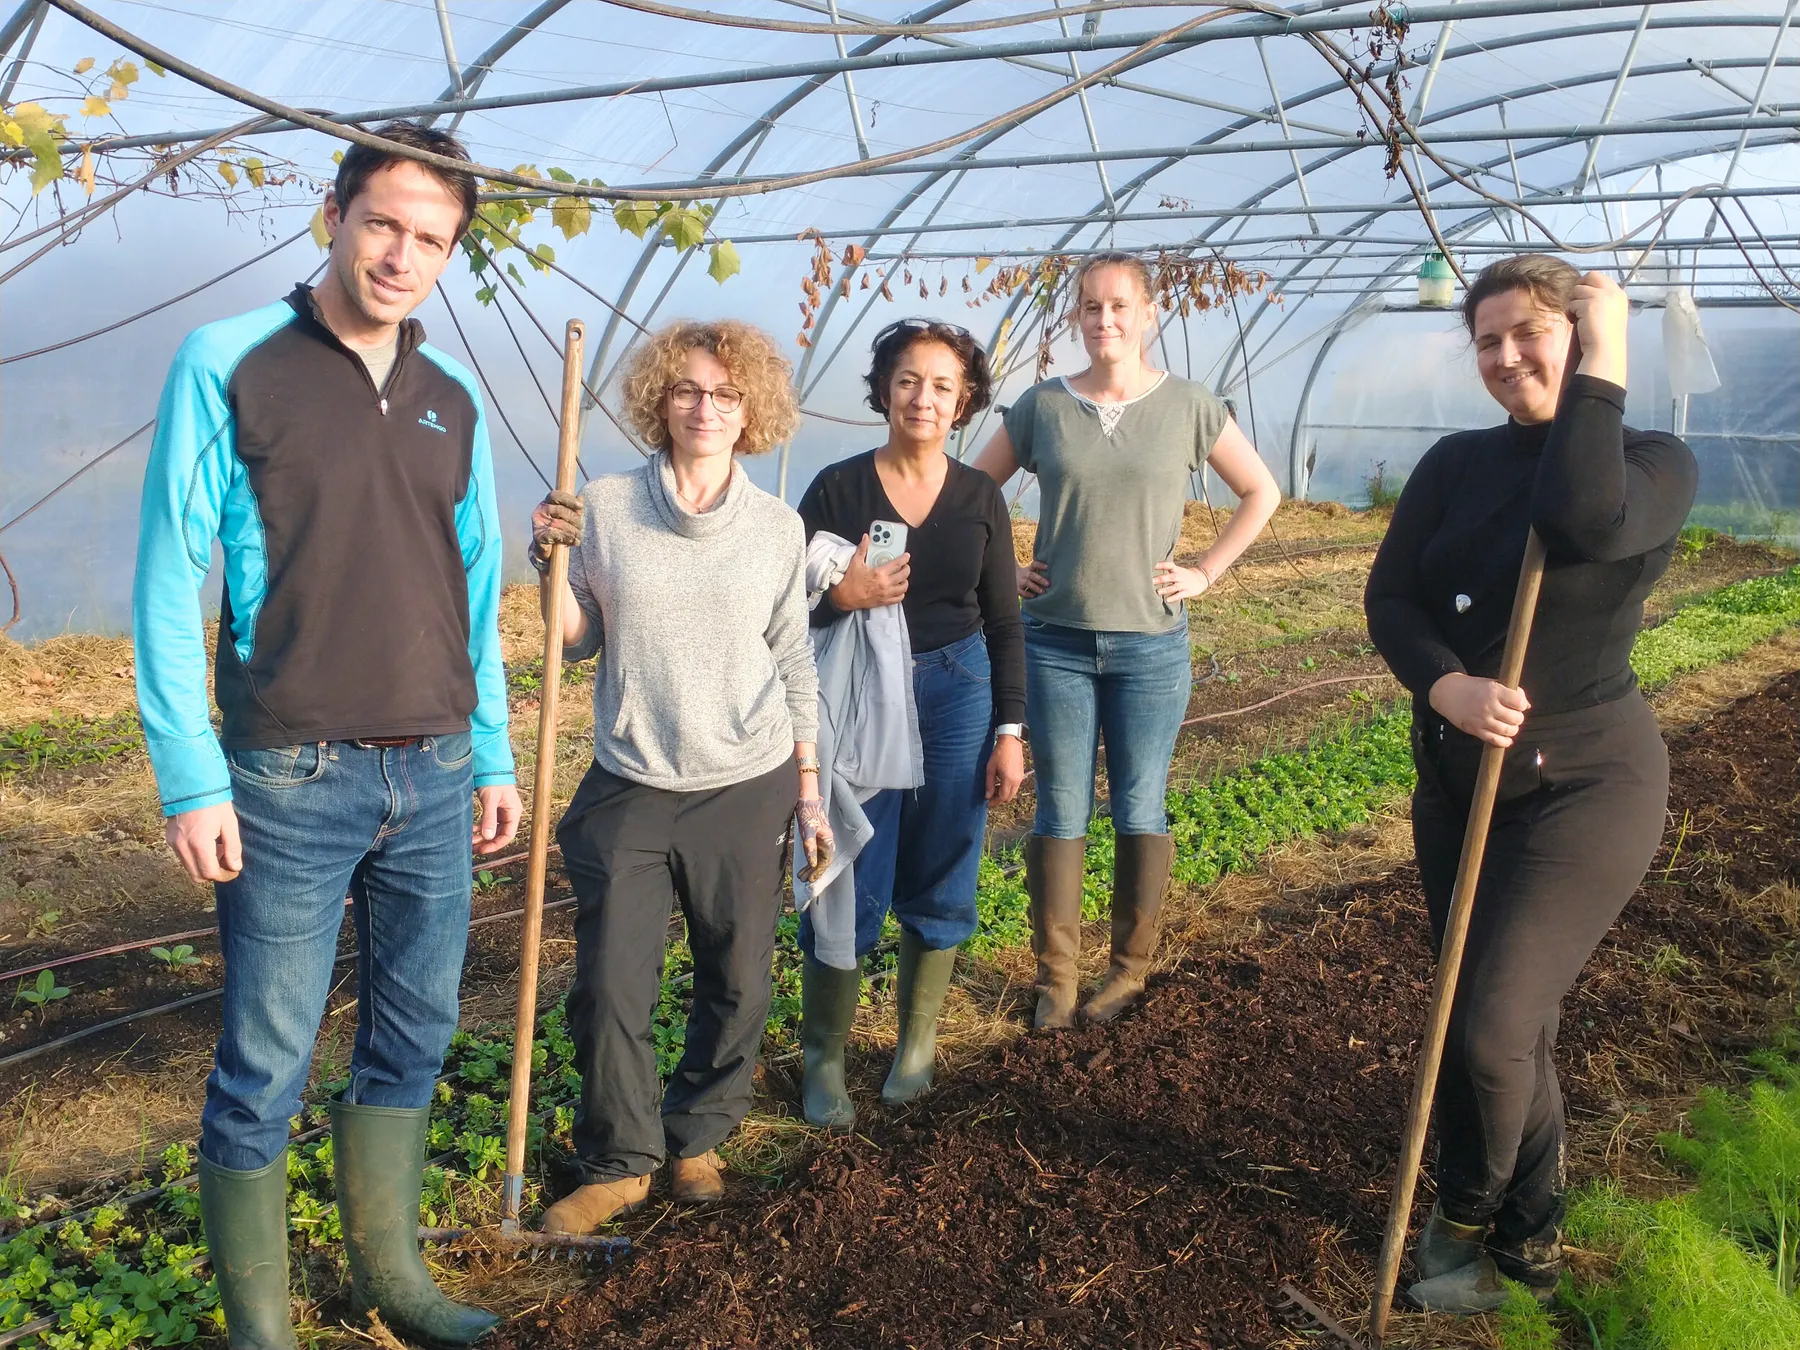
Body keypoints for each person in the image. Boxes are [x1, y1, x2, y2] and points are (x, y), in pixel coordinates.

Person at [133, 122, 519, 1347]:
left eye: (432, 239)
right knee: (267, 1058)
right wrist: (191, 774)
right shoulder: (229, 359)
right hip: (286, 770)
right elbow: (163, 573)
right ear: (336, 215)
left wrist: (496, 752)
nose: (403, 255)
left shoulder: (451, 397)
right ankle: (262, 1329)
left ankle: (389, 1282)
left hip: (437, 765)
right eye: (385, 223)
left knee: (417, 1031)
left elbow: (478, 590)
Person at [1365, 257, 1697, 1313]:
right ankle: (1535, 1222)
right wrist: (1448, 685)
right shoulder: (1455, 463)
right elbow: (1391, 597)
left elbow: (1583, 523)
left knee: (1491, 1020)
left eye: (1530, 333)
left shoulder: (1654, 460)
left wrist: (1601, 372)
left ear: (1580, 334)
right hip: (1460, 779)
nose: (1506, 357)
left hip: (1585, 785)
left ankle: (1468, 1204)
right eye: (1487, 341)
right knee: (1505, 1014)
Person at [526, 320, 828, 1235]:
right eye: (690, 391)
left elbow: (793, 658)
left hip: (748, 776)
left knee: (736, 976)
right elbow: (573, 642)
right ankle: (619, 1161)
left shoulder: (778, 526)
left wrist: (809, 787)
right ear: (662, 400)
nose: (706, 409)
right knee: (612, 983)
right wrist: (550, 563)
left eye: (726, 396)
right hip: (633, 776)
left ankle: (695, 1137)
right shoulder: (607, 508)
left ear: (752, 412)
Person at [974, 252, 1280, 1029]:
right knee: (1062, 809)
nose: (1104, 321)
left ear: (1148, 315)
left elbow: (1261, 491)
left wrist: (1206, 571)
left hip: (1150, 647)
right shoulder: (1041, 407)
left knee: (1141, 801)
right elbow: (972, 495)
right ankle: (1056, 980)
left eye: (1119, 307)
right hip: (1055, 645)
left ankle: (1128, 972)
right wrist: (1005, 566)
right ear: (1076, 319)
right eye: (1089, 308)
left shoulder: (1188, 406)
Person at [794, 319, 1026, 1130]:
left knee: (946, 856)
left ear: (964, 401)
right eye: (907, 380)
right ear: (883, 390)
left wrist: (1010, 729)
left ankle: (915, 1041)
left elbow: (1003, 620)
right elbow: (783, 607)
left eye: (941, 384)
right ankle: (823, 1055)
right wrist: (841, 597)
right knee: (847, 858)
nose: (922, 397)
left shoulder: (980, 496)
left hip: (958, 689)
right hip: (856, 691)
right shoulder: (838, 488)